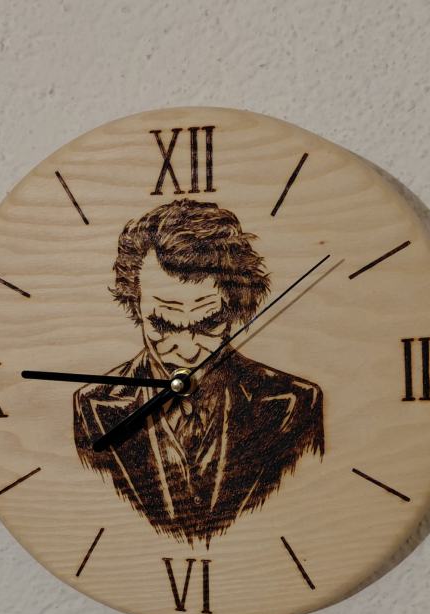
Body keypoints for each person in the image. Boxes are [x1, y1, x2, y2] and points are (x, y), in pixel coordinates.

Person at [74, 199, 324, 543]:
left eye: (208, 324)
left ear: (236, 307)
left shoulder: (296, 402)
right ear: (134, 303)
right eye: (163, 325)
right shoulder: (92, 405)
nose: (188, 350)